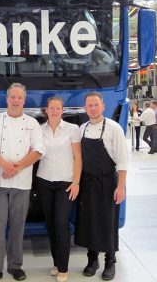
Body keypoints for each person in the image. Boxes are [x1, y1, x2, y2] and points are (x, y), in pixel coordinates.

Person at [0, 83, 45, 282]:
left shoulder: (32, 123)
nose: (15, 100)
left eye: (19, 97)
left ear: (23, 100)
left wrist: (16, 168)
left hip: (21, 183)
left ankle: (15, 266)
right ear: (7, 99)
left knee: (17, 226)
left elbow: (38, 151)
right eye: (12, 97)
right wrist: (6, 166)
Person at [75, 92, 128, 281]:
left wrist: (120, 187)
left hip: (108, 182)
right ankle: (92, 260)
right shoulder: (82, 128)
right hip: (88, 182)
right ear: (85, 108)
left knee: (108, 221)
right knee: (89, 220)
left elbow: (122, 161)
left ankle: (110, 261)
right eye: (89, 105)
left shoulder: (114, 128)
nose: (93, 108)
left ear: (103, 106)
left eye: (96, 105)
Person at [36, 96, 82, 282]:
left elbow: (78, 157)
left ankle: (63, 267)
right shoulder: (39, 130)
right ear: (46, 110)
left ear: (62, 110)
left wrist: (76, 182)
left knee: (61, 224)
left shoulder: (72, 129)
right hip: (44, 181)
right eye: (51, 108)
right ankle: (56, 262)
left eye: (58, 108)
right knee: (51, 224)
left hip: (66, 183)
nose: (55, 111)